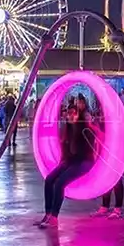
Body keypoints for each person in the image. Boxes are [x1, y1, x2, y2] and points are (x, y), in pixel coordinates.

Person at [38, 96, 96, 228]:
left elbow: (82, 151)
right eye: (68, 113)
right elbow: (66, 150)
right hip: (71, 161)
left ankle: (54, 217)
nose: (69, 116)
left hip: (84, 161)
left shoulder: (84, 129)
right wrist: (63, 162)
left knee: (59, 183)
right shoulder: (67, 129)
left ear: (78, 114)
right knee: (49, 180)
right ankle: (47, 214)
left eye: (73, 113)